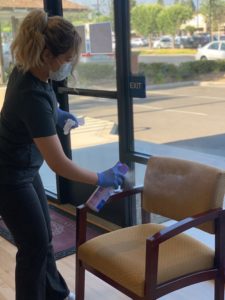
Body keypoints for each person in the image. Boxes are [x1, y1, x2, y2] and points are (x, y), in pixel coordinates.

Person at [0, 9, 125, 300]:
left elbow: (43, 107)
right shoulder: (30, 95)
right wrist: (101, 177)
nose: (68, 65)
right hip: (8, 176)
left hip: (22, 168)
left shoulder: (27, 69)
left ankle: (55, 293)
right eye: (67, 59)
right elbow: (59, 164)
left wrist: (57, 114)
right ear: (47, 55)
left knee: (42, 238)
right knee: (33, 245)